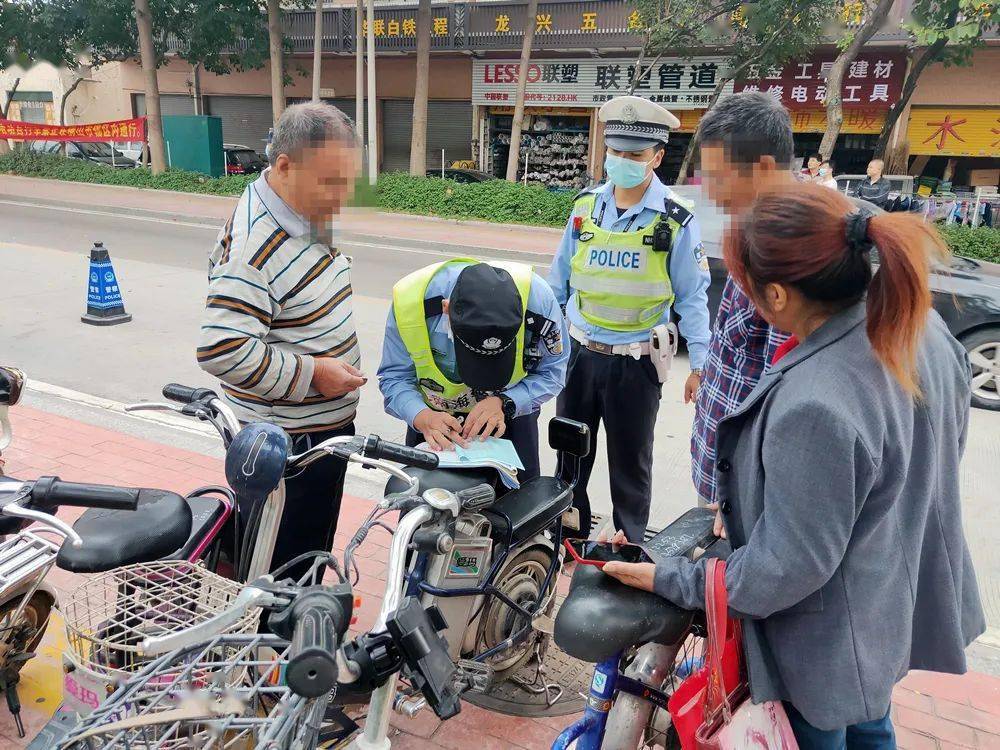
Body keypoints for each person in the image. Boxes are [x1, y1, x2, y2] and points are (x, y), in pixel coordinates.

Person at [602, 182, 985, 748]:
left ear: (776, 296)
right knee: (871, 727)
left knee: (821, 732)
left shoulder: (815, 400)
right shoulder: (918, 327)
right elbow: (916, 465)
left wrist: (672, 578)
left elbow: (784, 570)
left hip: (827, 641)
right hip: (888, 606)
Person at [198, 102, 364, 581]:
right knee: (280, 570)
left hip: (316, 433)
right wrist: (315, 373)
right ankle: (276, 649)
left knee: (306, 555)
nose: (342, 196)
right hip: (288, 447)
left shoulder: (294, 209)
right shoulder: (256, 242)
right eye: (330, 182)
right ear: (285, 167)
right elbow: (222, 349)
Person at [548, 95, 711, 543]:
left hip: (635, 365)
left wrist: (700, 364)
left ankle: (628, 550)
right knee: (570, 461)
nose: (621, 162)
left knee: (630, 467)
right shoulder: (584, 208)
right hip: (578, 358)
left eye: (634, 155)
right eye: (615, 152)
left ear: (656, 157)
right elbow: (558, 282)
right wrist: (543, 344)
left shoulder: (675, 220)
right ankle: (568, 543)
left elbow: (693, 297)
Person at [690, 92, 794, 506]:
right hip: (722, 472)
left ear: (764, 169)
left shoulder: (788, 257)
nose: (711, 195)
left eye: (718, 178)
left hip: (742, 492)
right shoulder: (754, 235)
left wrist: (743, 500)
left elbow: (781, 396)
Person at [378, 260, 567, 480]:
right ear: (446, 310)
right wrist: (421, 416)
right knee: (423, 503)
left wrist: (505, 402)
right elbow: (394, 377)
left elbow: (553, 372)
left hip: (509, 417)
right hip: (433, 421)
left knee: (520, 505)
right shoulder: (412, 304)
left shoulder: (539, 303)